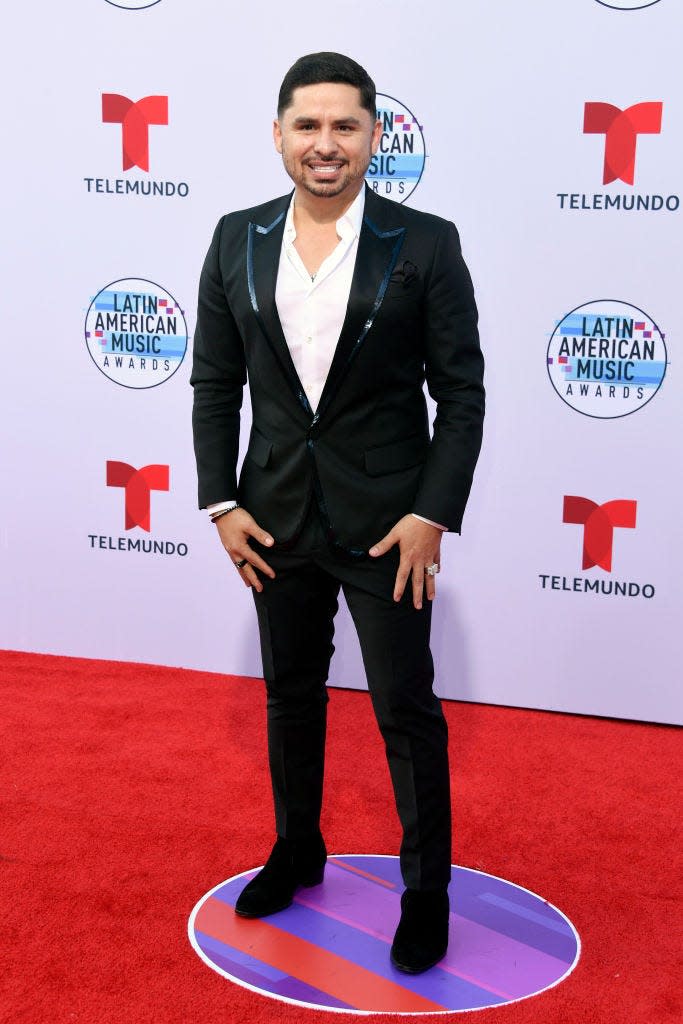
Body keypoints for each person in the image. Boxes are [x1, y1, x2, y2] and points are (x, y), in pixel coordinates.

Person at [191, 52, 484, 974]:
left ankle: (426, 888)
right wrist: (220, 501)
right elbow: (214, 383)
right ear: (278, 135)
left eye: (344, 126)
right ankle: (296, 848)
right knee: (289, 697)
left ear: (373, 136)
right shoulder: (235, 235)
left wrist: (431, 515)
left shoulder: (425, 241)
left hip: (387, 525)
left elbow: (462, 396)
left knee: (404, 705)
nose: (325, 145)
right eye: (307, 126)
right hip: (272, 518)